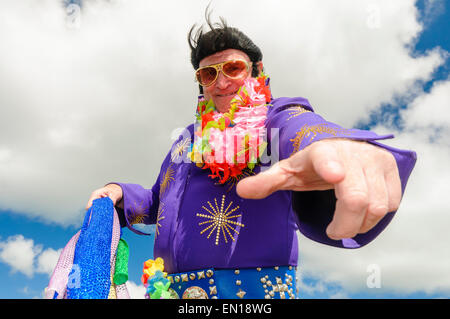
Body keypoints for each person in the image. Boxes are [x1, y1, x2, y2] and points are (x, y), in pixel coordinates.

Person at [85, 18, 416, 299]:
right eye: (208, 74)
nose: (222, 82)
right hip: (166, 291)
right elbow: (158, 202)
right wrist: (119, 192)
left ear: (257, 71)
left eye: (232, 68)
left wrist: (328, 142)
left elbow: (298, 126)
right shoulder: (185, 138)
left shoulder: (272, 116)